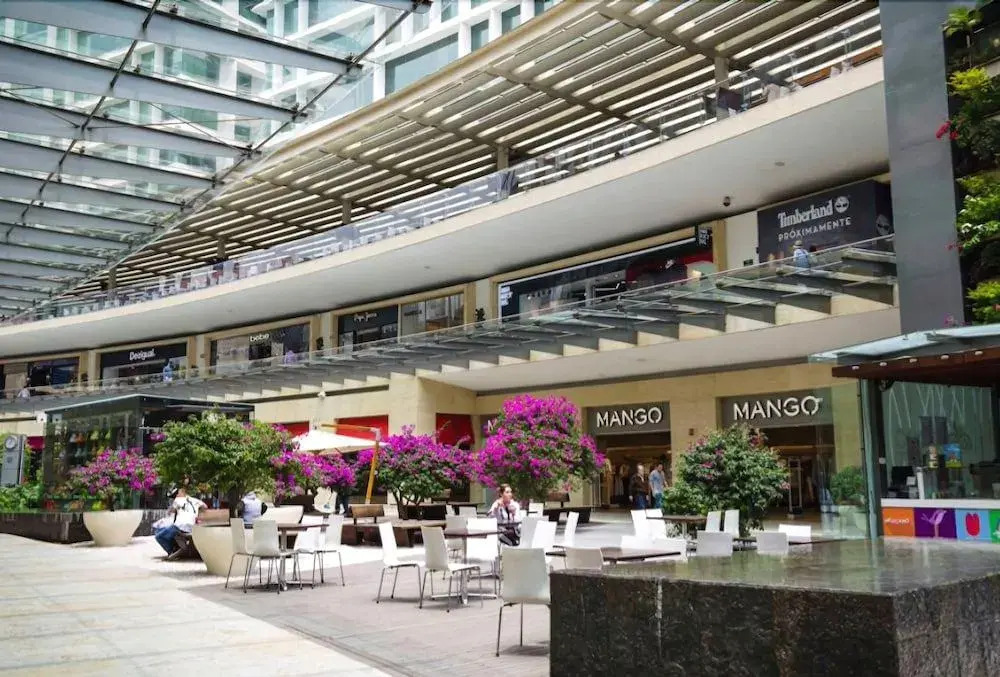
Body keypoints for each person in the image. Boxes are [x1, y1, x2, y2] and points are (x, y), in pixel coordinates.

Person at [154, 487, 206, 558]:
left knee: (158, 536)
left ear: (182, 493)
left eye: (178, 493)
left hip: (180, 527)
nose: (177, 495)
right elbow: (205, 506)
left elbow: (170, 512)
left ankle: (172, 551)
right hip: (191, 527)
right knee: (166, 531)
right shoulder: (195, 500)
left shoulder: (178, 500)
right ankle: (176, 547)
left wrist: (174, 508)